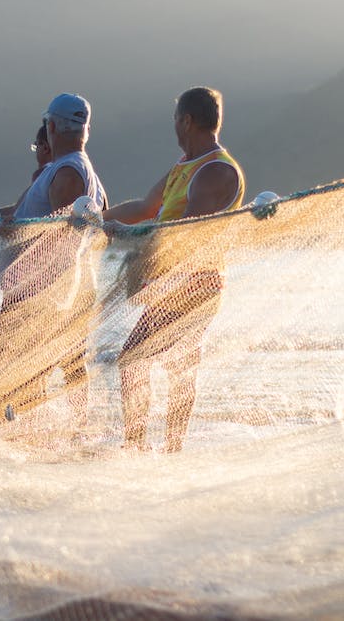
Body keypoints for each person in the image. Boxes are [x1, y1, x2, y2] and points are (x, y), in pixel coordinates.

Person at [103, 87, 244, 452]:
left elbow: (184, 233)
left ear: (187, 120)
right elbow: (147, 206)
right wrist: (98, 220)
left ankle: (150, 446)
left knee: (138, 360)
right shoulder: (184, 166)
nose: (175, 130)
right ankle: (157, 447)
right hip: (170, 283)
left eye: (175, 122)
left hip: (196, 283)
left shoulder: (216, 170)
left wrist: (128, 235)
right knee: (167, 363)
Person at [0, 93, 109, 425]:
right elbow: (25, 214)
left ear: (52, 126)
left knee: (14, 366)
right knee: (13, 366)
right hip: (34, 288)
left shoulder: (68, 172)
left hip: (36, 290)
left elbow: (60, 236)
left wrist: (15, 233)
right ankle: (29, 434)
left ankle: (30, 438)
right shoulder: (65, 169)